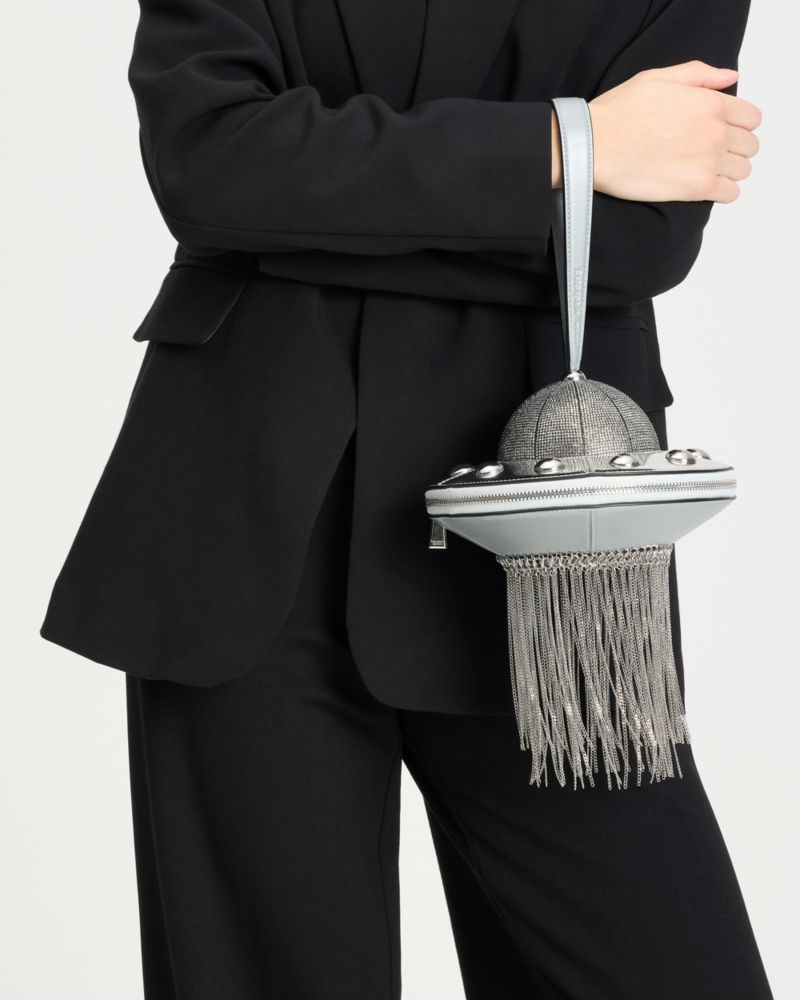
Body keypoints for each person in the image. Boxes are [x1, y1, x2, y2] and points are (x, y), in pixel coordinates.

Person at [40, 0, 772, 997]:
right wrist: (566, 143)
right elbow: (208, 164)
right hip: (245, 520)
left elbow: (641, 239)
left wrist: (308, 201)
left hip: (551, 548)